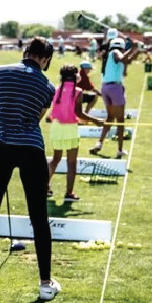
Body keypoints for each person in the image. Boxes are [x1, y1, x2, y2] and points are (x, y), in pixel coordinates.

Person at [0, 37, 62, 301]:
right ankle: (45, 283)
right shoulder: (48, 85)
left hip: (1, 145)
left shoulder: (0, 71)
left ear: (26, 52)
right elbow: (36, 119)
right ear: (45, 59)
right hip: (32, 149)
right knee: (39, 216)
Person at [47, 65, 104, 202]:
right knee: (71, 163)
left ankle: (45, 187)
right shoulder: (77, 91)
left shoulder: (57, 89)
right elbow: (78, 112)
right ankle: (69, 193)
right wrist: (95, 120)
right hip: (70, 129)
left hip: (57, 129)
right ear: (74, 77)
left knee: (55, 159)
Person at [90, 37, 139, 159]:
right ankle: (120, 149)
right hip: (115, 88)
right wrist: (132, 47)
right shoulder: (115, 52)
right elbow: (123, 58)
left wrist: (136, 50)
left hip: (106, 88)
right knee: (120, 120)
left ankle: (99, 143)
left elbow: (127, 61)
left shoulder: (109, 55)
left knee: (110, 117)